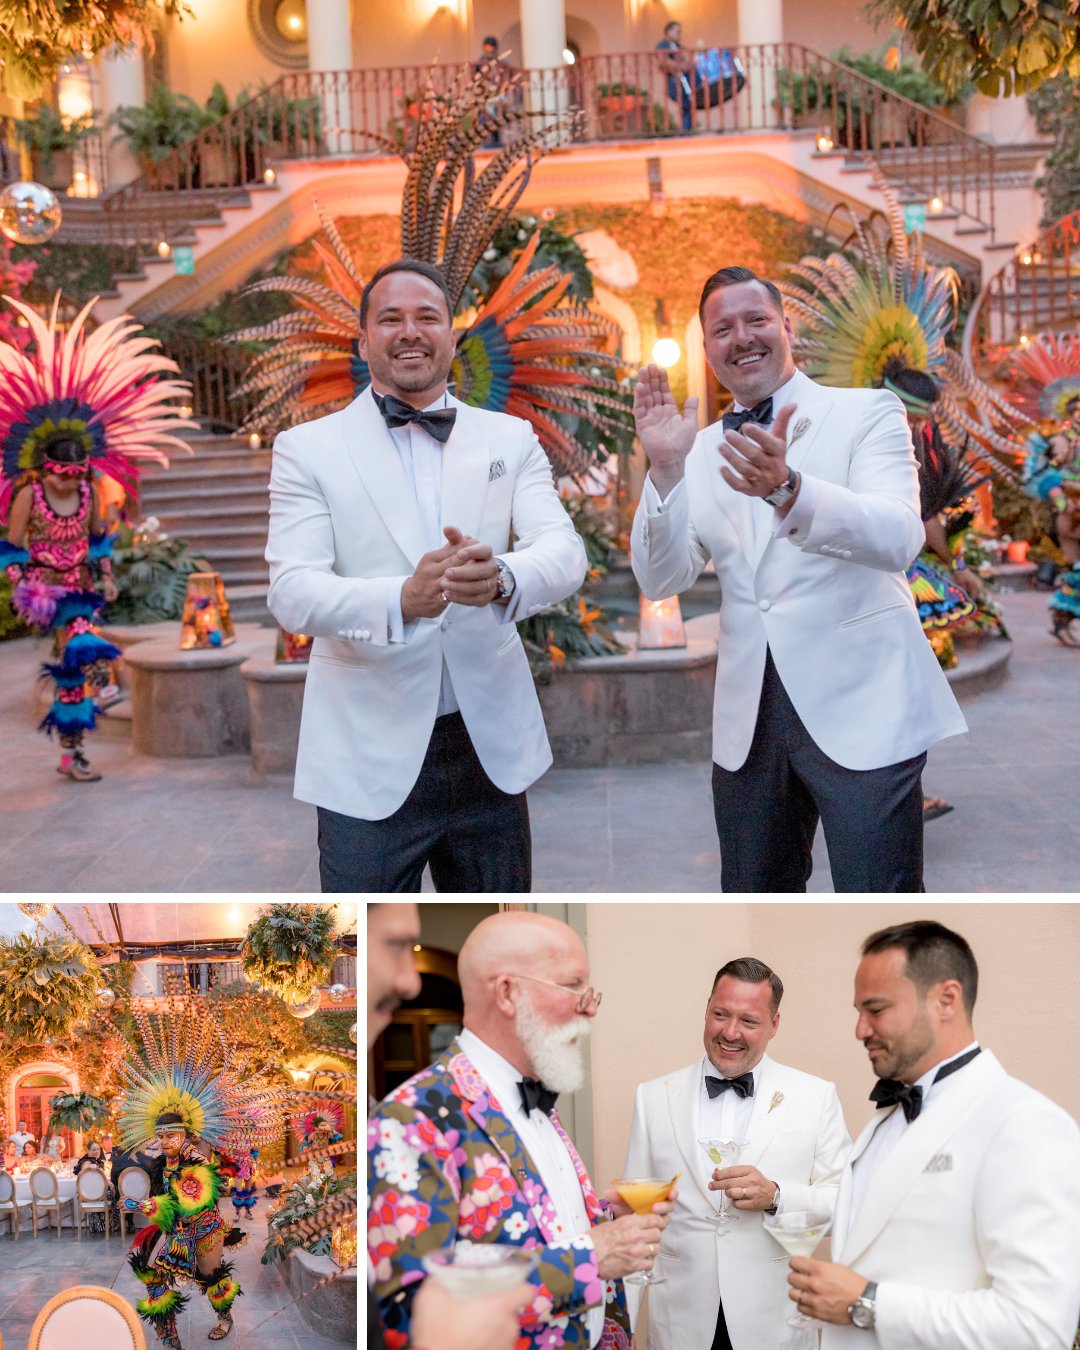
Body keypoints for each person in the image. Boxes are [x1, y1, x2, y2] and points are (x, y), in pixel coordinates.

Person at [631, 266, 967, 892]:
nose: (741, 338)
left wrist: (791, 491)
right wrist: (667, 471)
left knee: (879, 902)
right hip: (749, 724)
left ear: (787, 326)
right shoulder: (699, 449)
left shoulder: (867, 411)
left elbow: (900, 536)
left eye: (755, 320)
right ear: (707, 350)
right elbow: (661, 579)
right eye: (722, 328)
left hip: (864, 702)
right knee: (756, 905)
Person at [267, 259, 587, 892]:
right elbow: (291, 592)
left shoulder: (510, 438)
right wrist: (400, 600)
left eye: (426, 317)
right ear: (363, 341)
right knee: (371, 944)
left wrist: (503, 577)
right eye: (390, 319)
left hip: (486, 750)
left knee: (491, 940)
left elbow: (564, 551)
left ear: (451, 335)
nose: (409, 332)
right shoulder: (307, 450)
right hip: (365, 752)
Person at [368, 908, 674, 1348]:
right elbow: (408, 1314)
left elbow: (530, 1230)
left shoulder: (538, 1102)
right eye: (572, 986)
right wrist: (594, 1255)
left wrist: (606, 1222)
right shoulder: (409, 1120)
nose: (589, 1008)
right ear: (507, 993)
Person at [786, 920, 1080, 1347]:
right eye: (859, 1013)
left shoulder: (1025, 1124)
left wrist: (867, 1302)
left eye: (877, 1009)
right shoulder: (884, 1121)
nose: (860, 1030)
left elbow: (1036, 1327)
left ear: (946, 999)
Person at [623, 956, 850, 1350]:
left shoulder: (816, 1097)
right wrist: (620, 1324)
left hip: (774, 1321)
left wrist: (777, 1196)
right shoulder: (652, 1097)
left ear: (774, 1025)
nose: (730, 1032)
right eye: (720, 1014)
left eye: (748, 1021)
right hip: (679, 1322)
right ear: (707, 1010)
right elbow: (636, 1218)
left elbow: (847, 1205)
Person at [367, 902, 534, 1350]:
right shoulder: (407, 1117)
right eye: (396, 945)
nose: (411, 981)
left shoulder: (539, 1103)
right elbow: (404, 1304)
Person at [1, 435, 121, 782]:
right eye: (61, 475)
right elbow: (11, 548)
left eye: (76, 475)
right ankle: (102, 679)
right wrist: (20, 585)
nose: (69, 482)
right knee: (80, 633)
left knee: (69, 675)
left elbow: (97, 542)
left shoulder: (90, 494)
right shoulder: (30, 495)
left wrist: (107, 577)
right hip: (45, 594)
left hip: (80, 586)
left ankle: (71, 754)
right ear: (45, 469)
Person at [656, 20, 694, 132]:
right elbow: (663, 60)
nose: (679, 35)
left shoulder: (676, 46)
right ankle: (684, 132)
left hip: (682, 81)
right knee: (685, 105)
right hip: (674, 81)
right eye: (677, 32)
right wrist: (680, 66)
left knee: (688, 105)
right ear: (669, 31)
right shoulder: (663, 45)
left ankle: (687, 130)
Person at [74, 1139, 112, 1233]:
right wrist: (109, 1183)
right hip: (90, 1194)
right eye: (94, 1150)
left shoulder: (95, 1161)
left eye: (98, 1149)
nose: (96, 1151)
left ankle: (102, 1225)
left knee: (111, 1191)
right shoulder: (87, 1162)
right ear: (89, 1151)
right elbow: (84, 1177)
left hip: (94, 1192)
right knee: (115, 1194)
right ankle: (111, 1224)